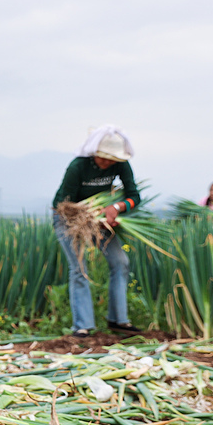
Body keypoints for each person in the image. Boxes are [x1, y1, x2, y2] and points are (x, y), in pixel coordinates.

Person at [52, 125, 141, 339]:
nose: (107, 162)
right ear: (95, 153)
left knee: (120, 262)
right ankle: (82, 326)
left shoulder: (121, 165)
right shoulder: (78, 166)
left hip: (101, 220)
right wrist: (92, 217)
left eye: (112, 159)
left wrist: (116, 208)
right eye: (103, 158)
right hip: (69, 218)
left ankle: (119, 321)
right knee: (79, 269)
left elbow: (134, 196)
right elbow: (66, 204)